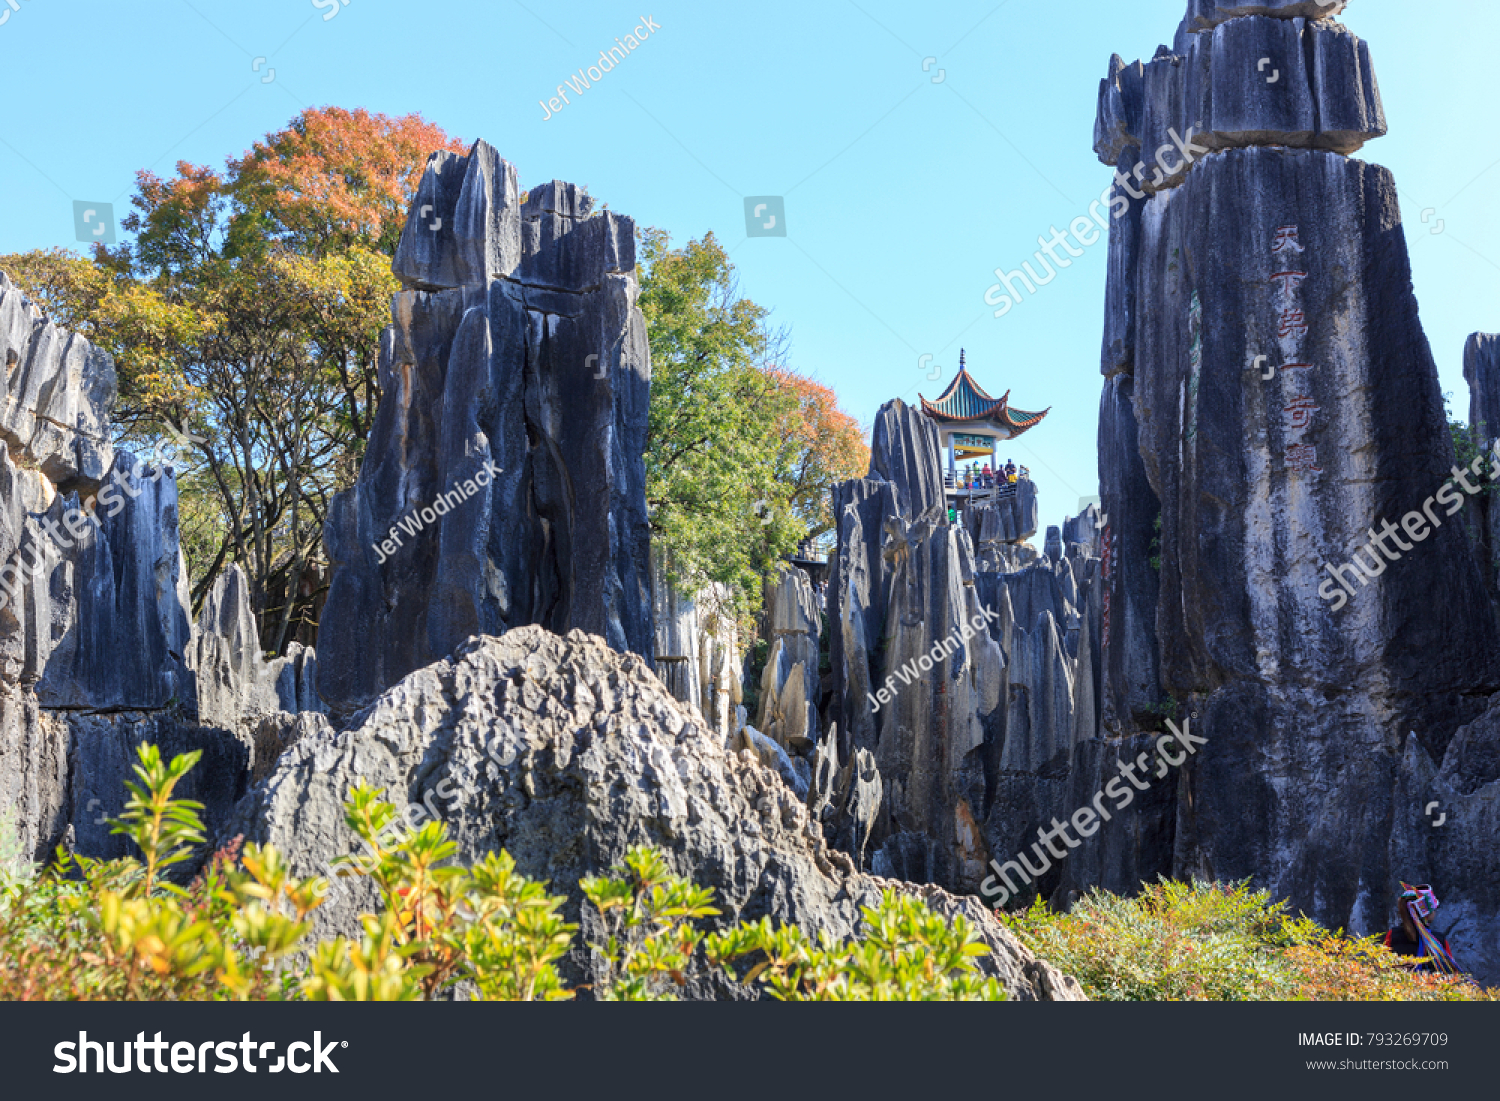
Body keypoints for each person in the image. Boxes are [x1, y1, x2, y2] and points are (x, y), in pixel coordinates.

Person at [1384, 883, 1459, 973]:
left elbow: (1382, 966)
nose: (1435, 912)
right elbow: (1453, 972)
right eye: (1434, 909)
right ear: (1426, 913)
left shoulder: (1392, 935)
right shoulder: (1438, 941)